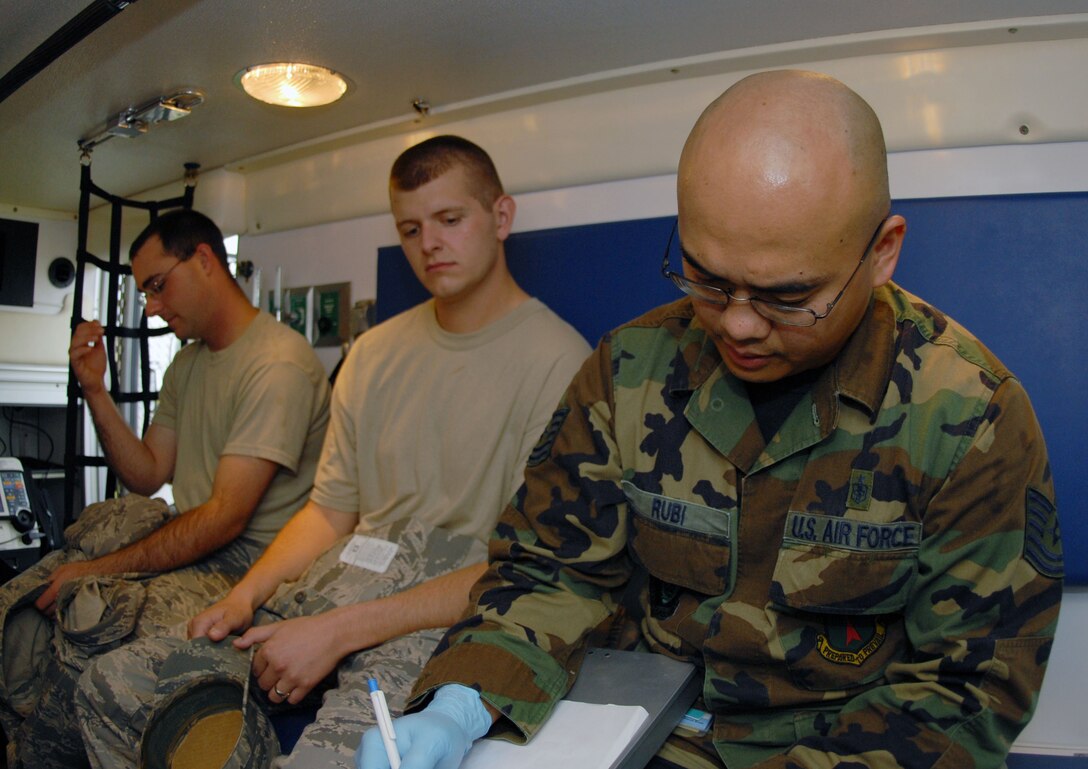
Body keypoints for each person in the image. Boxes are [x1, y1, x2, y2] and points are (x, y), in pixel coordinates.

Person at [360, 71, 1064, 769]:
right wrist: (461, 699)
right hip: (646, 730)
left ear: (881, 252)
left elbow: (969, 685)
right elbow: (551, 570)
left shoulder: (970, 415)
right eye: (706, 277)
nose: (737, 324)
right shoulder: (628, 369)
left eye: (787, 295)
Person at [75, 135, 592, 768]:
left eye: (450, 220)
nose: (428, 243)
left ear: (500, 218)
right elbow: (329, 511)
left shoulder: (563, 364)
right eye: (410, 228)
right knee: (114, 686)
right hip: (340, 577)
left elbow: (526, 569)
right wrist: (244, 595)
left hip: (445, 606)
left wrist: (337, 633)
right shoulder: (372, 355)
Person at [0, 208, 331, 768]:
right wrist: (95, 389)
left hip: (253, 572)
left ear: (204, 261)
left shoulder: (278, 365)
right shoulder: (189, 363)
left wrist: (101, 569)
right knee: (19, 602)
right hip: (193, 545)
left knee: (88, 630)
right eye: (144, 293)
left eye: (157, 286)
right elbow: (149, 472)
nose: (151, 307)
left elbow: (226, 517)